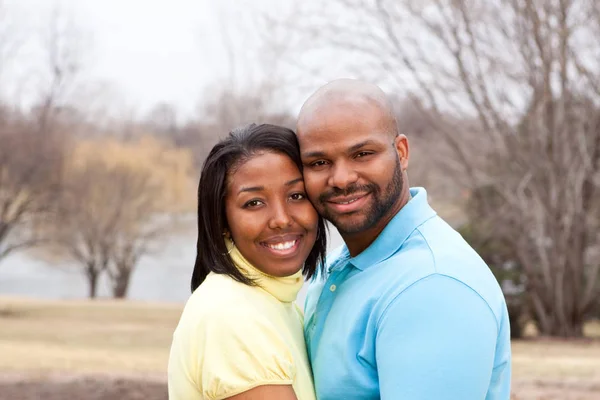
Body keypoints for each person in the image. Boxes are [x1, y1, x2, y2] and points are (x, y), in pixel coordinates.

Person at [296, 79, 512, 399]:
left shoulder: (432, 284)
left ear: (401, 152)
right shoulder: (341, 264)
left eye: (362, 154)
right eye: (319, 163)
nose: (341, 178)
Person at [168, 123, 327, 400]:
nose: (281, 218)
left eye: (296, 196)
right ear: (222, 221)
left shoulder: (273, 302)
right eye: (254, 203)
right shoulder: (233, 315)